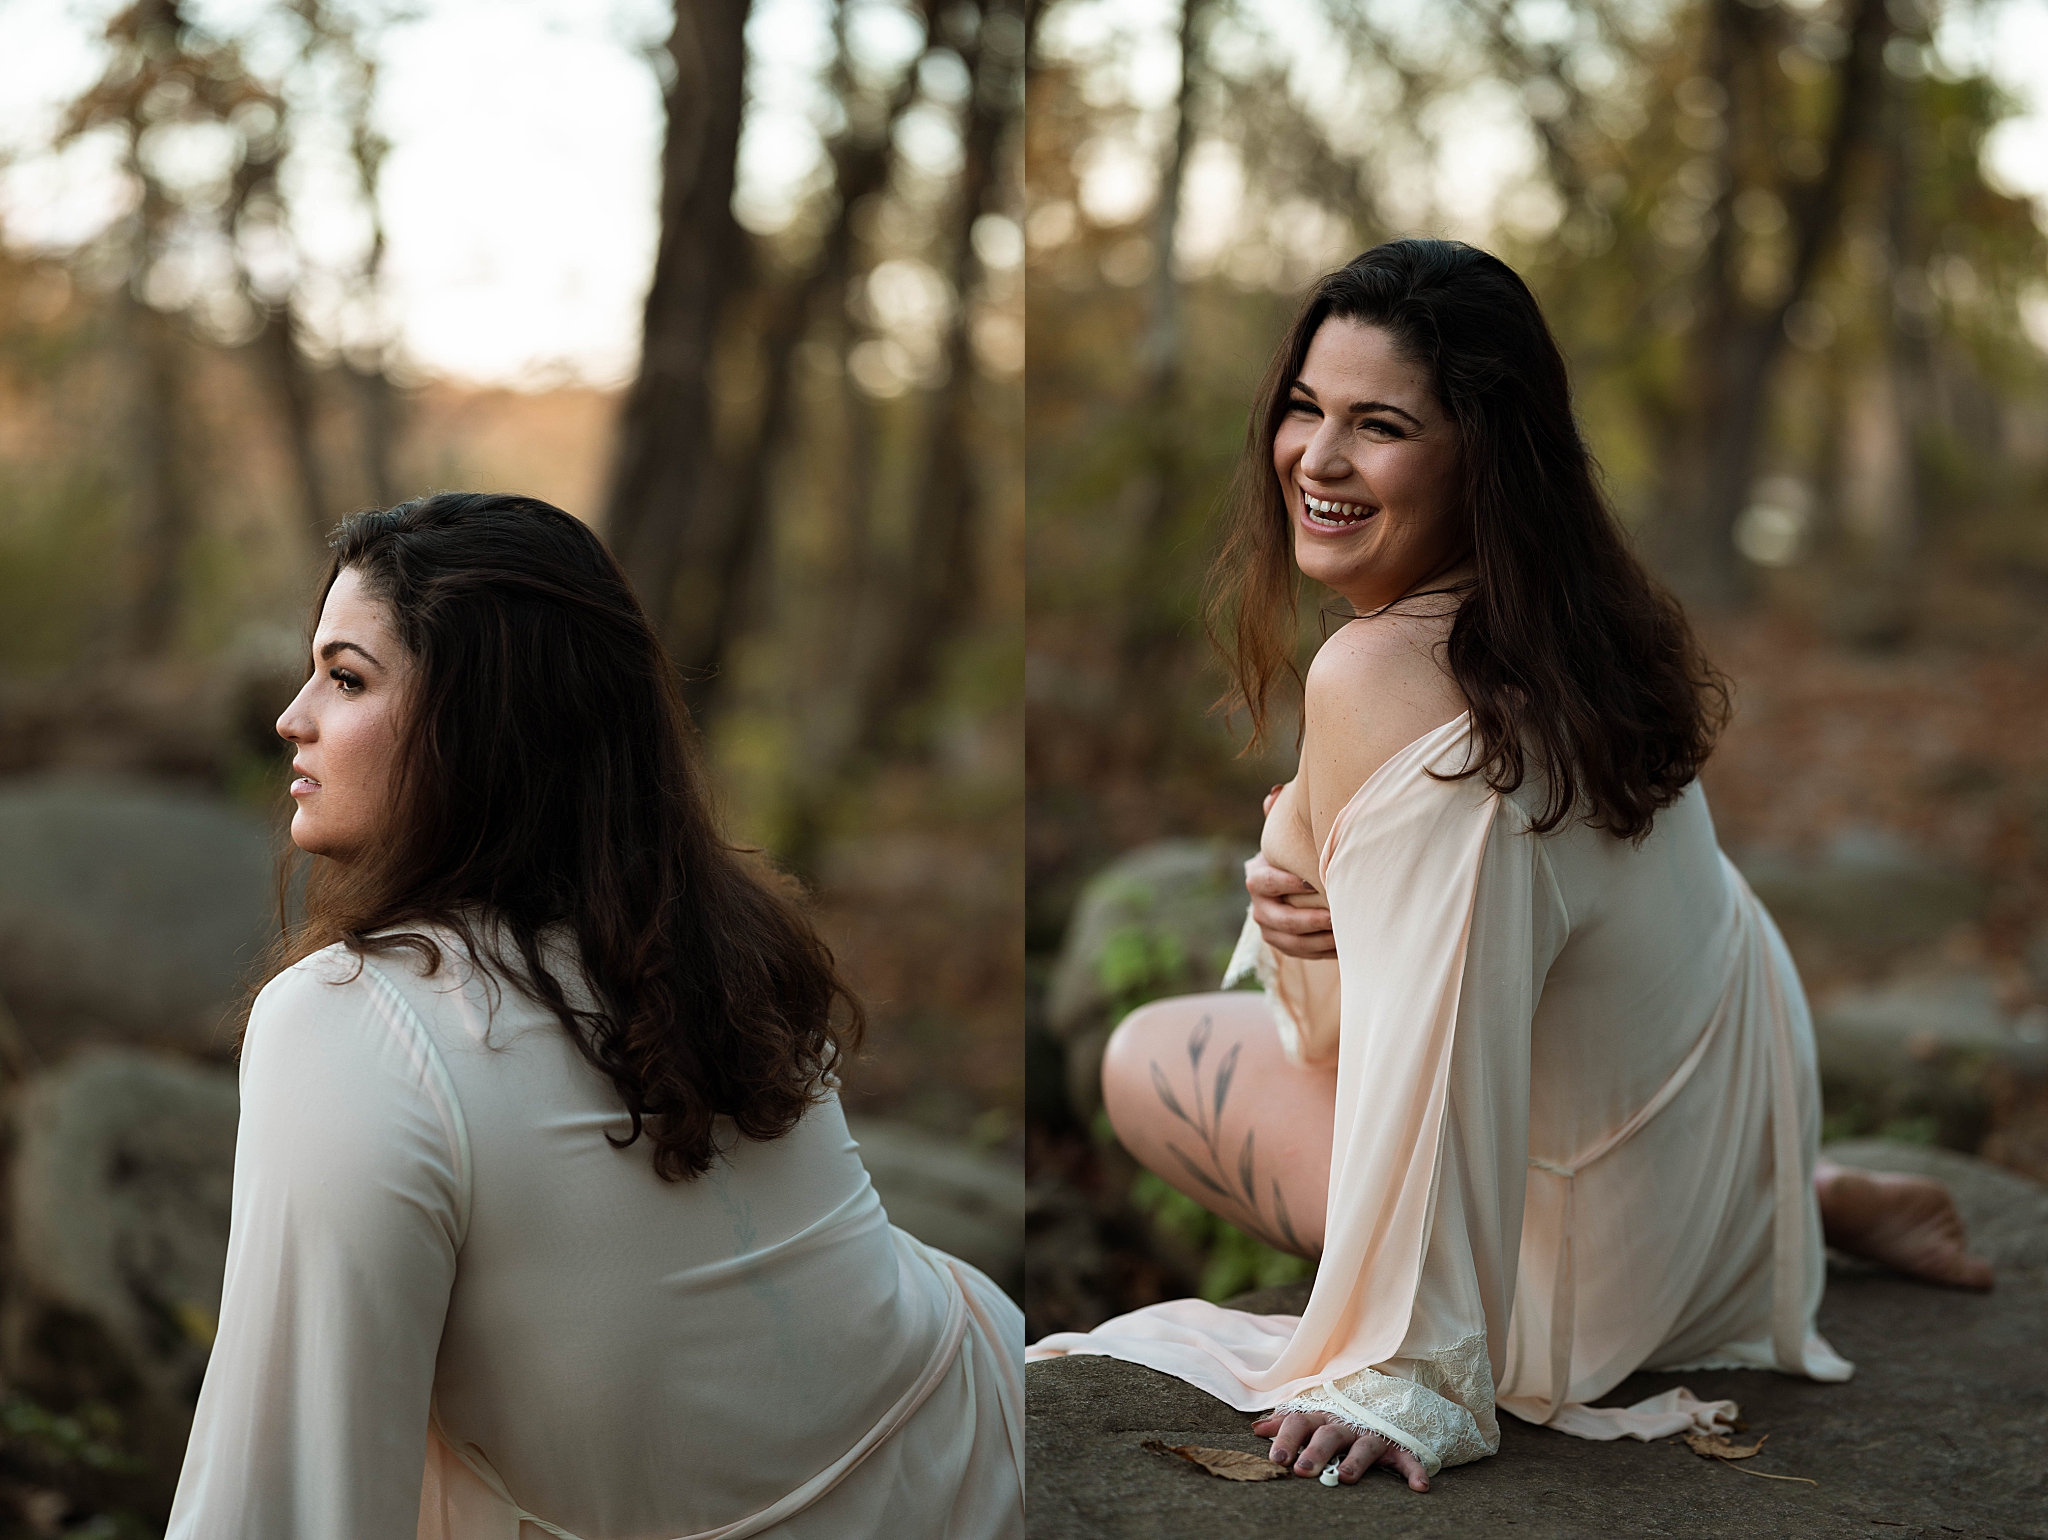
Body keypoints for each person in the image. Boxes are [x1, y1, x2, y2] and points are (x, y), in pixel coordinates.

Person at [1026, 239, 1989, 1491]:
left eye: (1378, 425)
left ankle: (1764, 1206)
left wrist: (1405, 1363)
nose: (1316, 459)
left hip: (1595, 1283)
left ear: (1484, 453)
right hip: (1724, 1123)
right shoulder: (1579, 621)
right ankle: (1785, 1194)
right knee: (1204, 1030)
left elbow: (1373, 1049)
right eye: (1304, 410)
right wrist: (1320, 907)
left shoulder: (1378, 671)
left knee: (1145, 1057)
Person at [168, 493, 1024, 1538]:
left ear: (483, 722)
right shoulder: (708, 930)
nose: (290, 717)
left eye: (346, 677)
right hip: (974, 1436)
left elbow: (288, 1491)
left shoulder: (346, 1021)